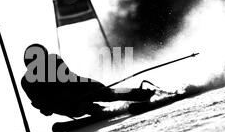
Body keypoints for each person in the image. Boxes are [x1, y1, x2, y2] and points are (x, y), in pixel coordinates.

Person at [21, 44, 155, 118]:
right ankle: (103, 110)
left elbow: (71, 79)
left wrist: (96, 88)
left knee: (107, 93)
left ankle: (143, 94)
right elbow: (42, 105)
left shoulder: (54, 61)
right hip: (68, 106)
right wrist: (47, 107)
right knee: (85, 107)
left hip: (78, 90)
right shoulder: (28, 83)